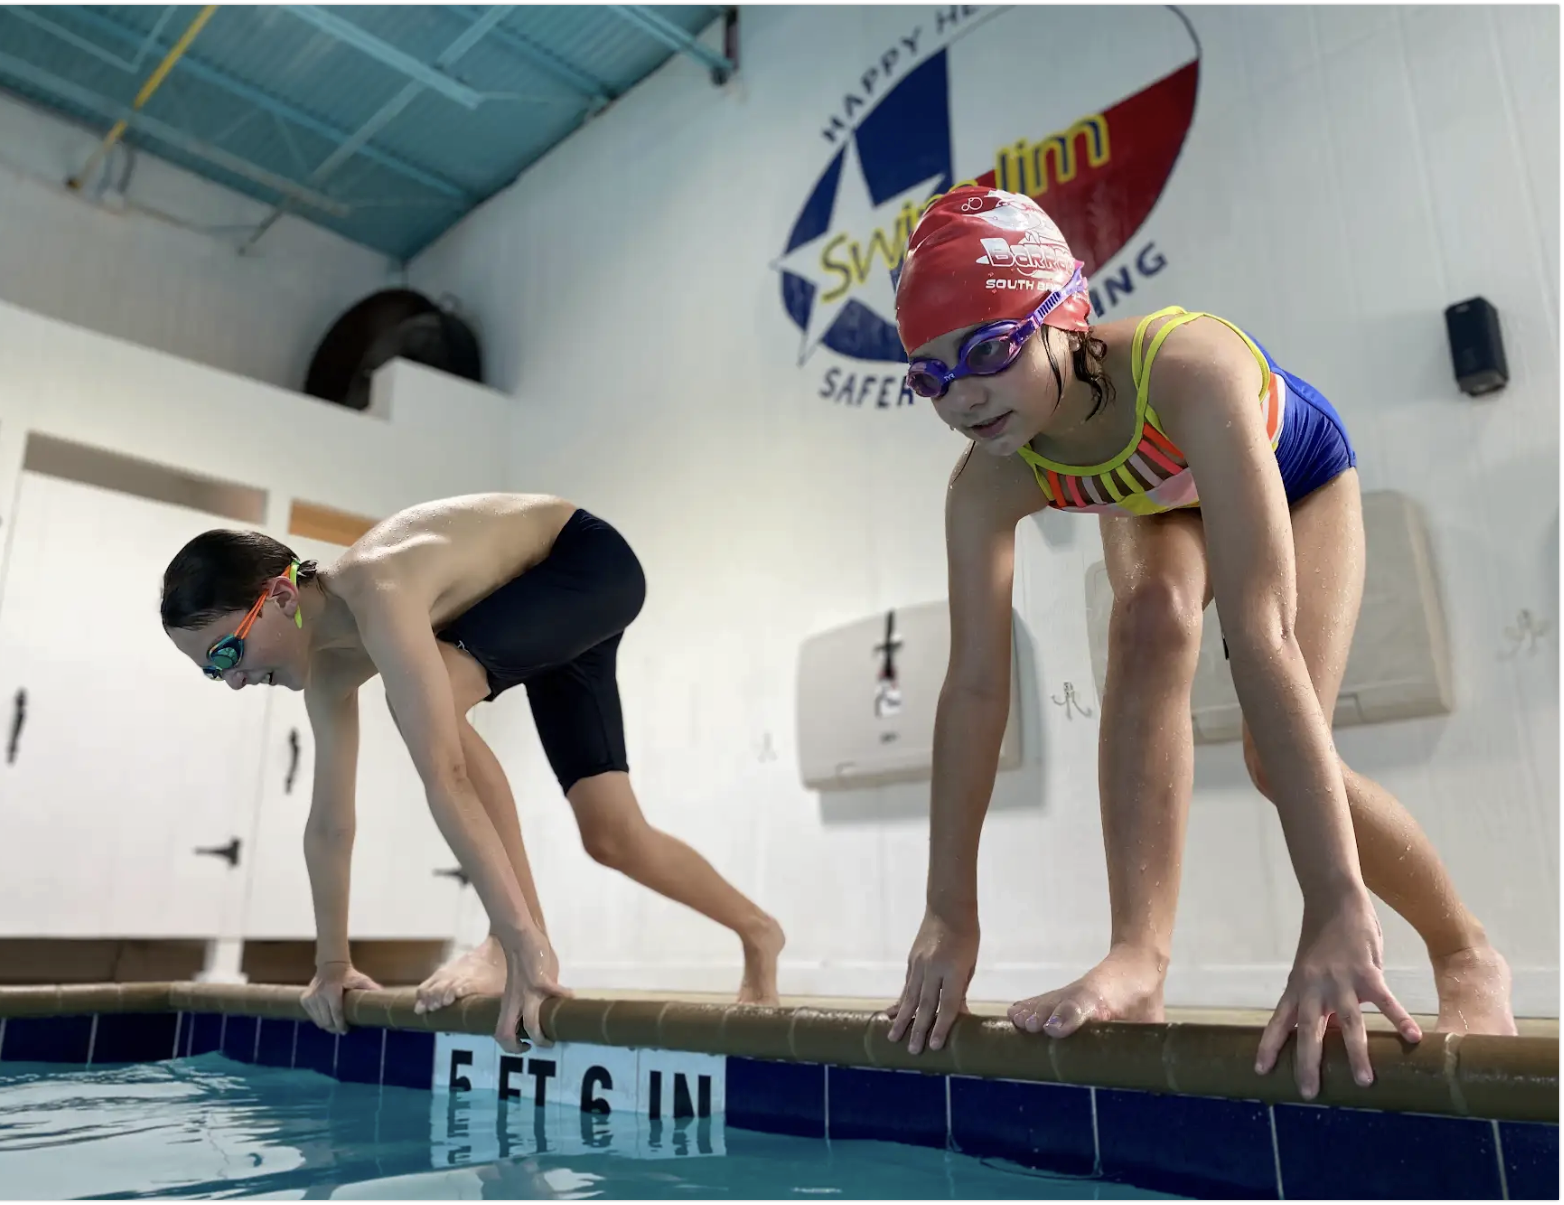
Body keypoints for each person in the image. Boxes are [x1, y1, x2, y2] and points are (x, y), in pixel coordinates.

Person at [883, 186, 1515, 1100]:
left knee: (1273, 751)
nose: (964, 395)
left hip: (1295, 478)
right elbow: (975, 689)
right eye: (929, 376)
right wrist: (949, 912)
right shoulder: (987, 480)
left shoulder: (1188, 369)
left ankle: (1466, 950)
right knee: (1147, 625)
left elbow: (1264, 634)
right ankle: (1137, 957)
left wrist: (1334, 903)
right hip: (1156, 496)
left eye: (987, 349)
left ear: (1064, 312)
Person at [160, 494, 785, 1052]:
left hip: (583, 563)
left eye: (227, 651)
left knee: (433, 704)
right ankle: (760, 933)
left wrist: (521, 946)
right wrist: (332, 963)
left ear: (282, 597)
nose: (235, 680)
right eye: (215, 672)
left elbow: (447, 774)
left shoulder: (377, 587)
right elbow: (329, 823)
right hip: (537, 611)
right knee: (612, 835)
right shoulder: (325, 677)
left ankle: (510, 940)